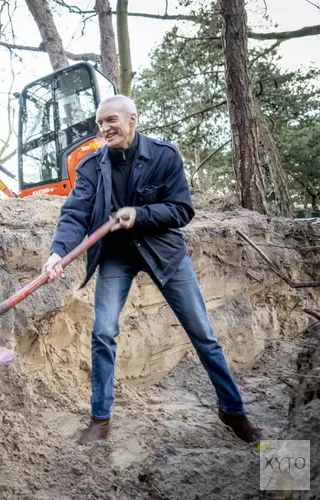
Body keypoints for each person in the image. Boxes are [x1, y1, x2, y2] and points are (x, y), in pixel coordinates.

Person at [42, 95, 262, 445]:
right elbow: (75, 214)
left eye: (111, 120)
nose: (104, 128)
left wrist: (140, 215)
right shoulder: (90, 166)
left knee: (203, 333)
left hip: (165, 254)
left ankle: (233, 411)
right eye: (100, 123)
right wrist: (57, 253)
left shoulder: (164, 156)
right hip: (115, 257)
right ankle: (100, 418)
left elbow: (181, 210)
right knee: (103, 332)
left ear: (133, 118)